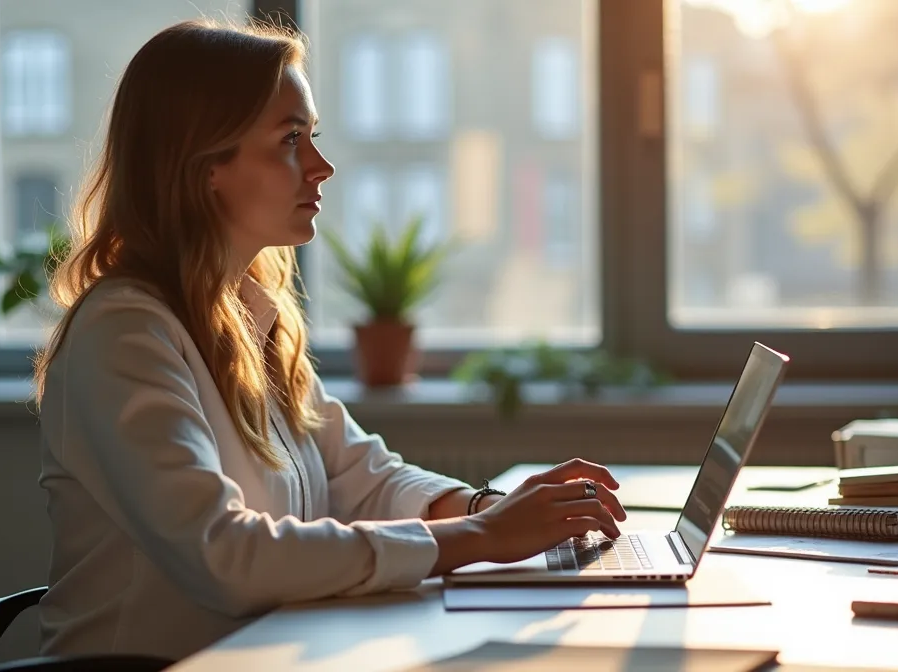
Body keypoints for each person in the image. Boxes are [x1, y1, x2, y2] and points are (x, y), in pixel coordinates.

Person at [33, 19, 628, 661]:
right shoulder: (124, 334)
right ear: (206, 166)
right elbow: (226, 556)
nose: (322, 166)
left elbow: (358, 478)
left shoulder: (248, 316)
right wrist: (481, 536)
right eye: (291, 140)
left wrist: (495, 508)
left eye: (312, 137)